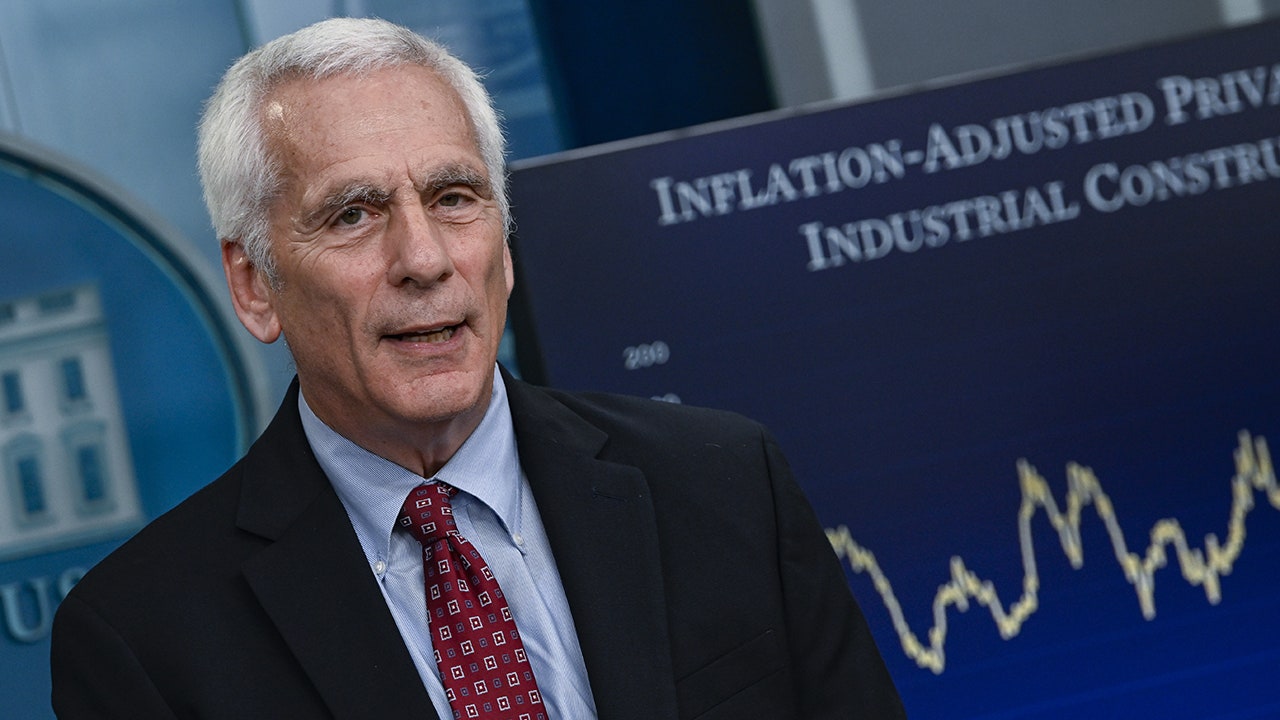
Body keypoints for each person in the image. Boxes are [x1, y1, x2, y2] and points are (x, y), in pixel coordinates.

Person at [50, 16, 905, 720]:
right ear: (253, 285)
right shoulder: (143, 639)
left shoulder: (722, 484)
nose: (424, 259)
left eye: (454, 198)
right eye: (353, 215)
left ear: (504, 241)